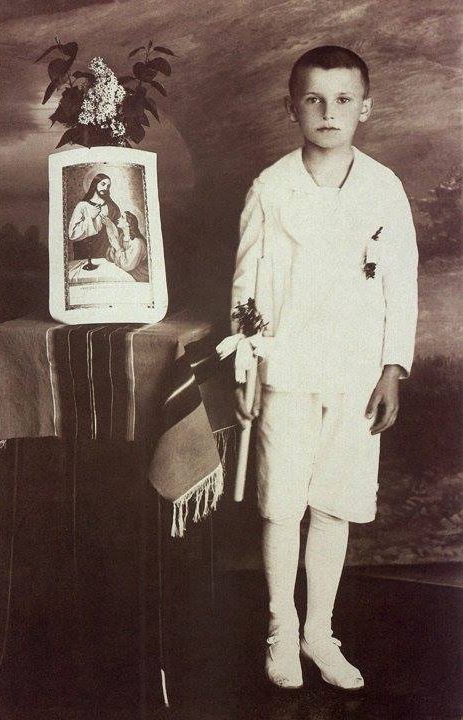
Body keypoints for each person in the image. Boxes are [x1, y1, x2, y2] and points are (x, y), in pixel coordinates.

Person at [231, 45, 418, 690]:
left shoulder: (384, 188)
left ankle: (319, 632)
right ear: (292, 108)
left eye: (343, 99)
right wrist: (248, 364)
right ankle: (281, 629)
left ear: (366, 107)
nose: (329, 112)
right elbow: (247, 285)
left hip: (355, 375)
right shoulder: (271, 187)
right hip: (285, 370)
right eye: (314, 99)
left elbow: (401, 285)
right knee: (283, 504)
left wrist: (393, 367)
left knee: (334, 504)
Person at [68, 173, 121, 260]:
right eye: (103, 184)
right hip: (85, 251)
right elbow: (72, 234)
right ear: (95, 184)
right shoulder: (82, 206)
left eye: (108, 186)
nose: (105, 188)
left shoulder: (111, 207)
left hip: (105, 251)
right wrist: (91, 217)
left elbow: (120, 229)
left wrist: (110, 224)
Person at [105, 210, 149, 282]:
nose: (119, 219)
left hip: (139, 277)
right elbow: (111, 258)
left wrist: (118, 248)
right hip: (127, 274)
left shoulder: (137, 243)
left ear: (128, 224)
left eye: (122, 217)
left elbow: (127, 266)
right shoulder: (122, 236)